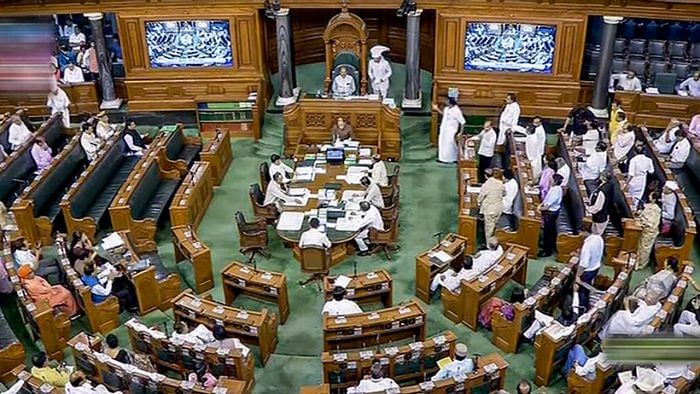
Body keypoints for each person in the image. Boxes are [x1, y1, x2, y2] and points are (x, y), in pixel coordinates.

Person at [576, 229, 604, 309]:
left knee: (582, 292)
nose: (579, 235)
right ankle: (586, 306)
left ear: (584, 232)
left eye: (580, 233)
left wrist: (578, 276)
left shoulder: (587, 245)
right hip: (596, 267)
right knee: (587, 289)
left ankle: (581, 310)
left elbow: (584, 264)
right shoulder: (598, 238)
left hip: (586, 272)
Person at [434, 97, 466, 164]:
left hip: (451, 130)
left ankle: (452, 159)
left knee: (450, 144)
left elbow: (463, 122)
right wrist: (437, 109)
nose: (445, 102)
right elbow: (444, 115)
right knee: (442, 143)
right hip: (444, 129)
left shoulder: (457, 111)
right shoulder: (446, 108)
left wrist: (460, 132)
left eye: (447, 101)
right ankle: (442, 158)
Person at [539, 174, 564, 257]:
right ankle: (546, 246)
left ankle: (547, 250)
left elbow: (548, 205)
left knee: (548, 232)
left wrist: (538, 209)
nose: (550, 180)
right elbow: (546, 200)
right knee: (548, 231)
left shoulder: (556, 190)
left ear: (555, 181)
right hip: (549, 213)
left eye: (552, 179)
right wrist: (540, 205)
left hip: (551, 213)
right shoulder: (554, 188)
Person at [635, 192, 661, 270]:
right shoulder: (649, 206)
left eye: (650, 196)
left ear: (654, 199)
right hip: (645, 230)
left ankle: (641, 264)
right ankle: (637, 262)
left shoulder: (655, 209)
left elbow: (651, 222)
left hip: (650, 231)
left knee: (645, 248)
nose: (648, 196)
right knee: (640, 246)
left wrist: (642, 220)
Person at [478, 168, 505, 240]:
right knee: (496, 226)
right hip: (499, 209)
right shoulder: (500, 183)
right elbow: (504, 194)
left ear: (485, 176)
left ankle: (490, 246)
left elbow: (480, 197)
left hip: (490, 209)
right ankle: (496, 242)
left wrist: (478, 203)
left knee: (489, 230)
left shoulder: (486, 185)